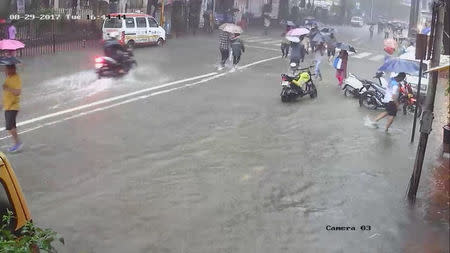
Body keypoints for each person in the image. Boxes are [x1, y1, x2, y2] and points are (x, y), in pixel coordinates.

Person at [2, 64, 23, 152]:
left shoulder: (16, 78)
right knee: (11, 126)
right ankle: (17, 143)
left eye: (6, 69)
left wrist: (8, 88)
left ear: (12, 69)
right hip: (7, 106)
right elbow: (6, 95)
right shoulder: (8, 78)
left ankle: (17, 144)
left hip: (13, 106)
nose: (5, 71)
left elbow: (17, 92)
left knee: (10, 126)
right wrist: (2, 104)